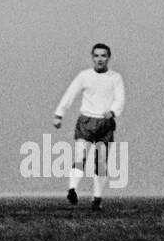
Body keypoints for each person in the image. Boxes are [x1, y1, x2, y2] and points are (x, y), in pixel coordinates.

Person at [53, 43, 125, 211]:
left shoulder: (115, 77)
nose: (100, 59)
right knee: (80, 156)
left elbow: (120, 98)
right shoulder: (84, 76)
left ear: (108, 58)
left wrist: (113, 111)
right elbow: (70, 94)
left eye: (103, 55)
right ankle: (72, 189)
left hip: (105, 123)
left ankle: (97, 198)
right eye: (97, 56)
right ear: (92, 58)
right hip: (86, 121)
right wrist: (59, 114)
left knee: (100, 162)